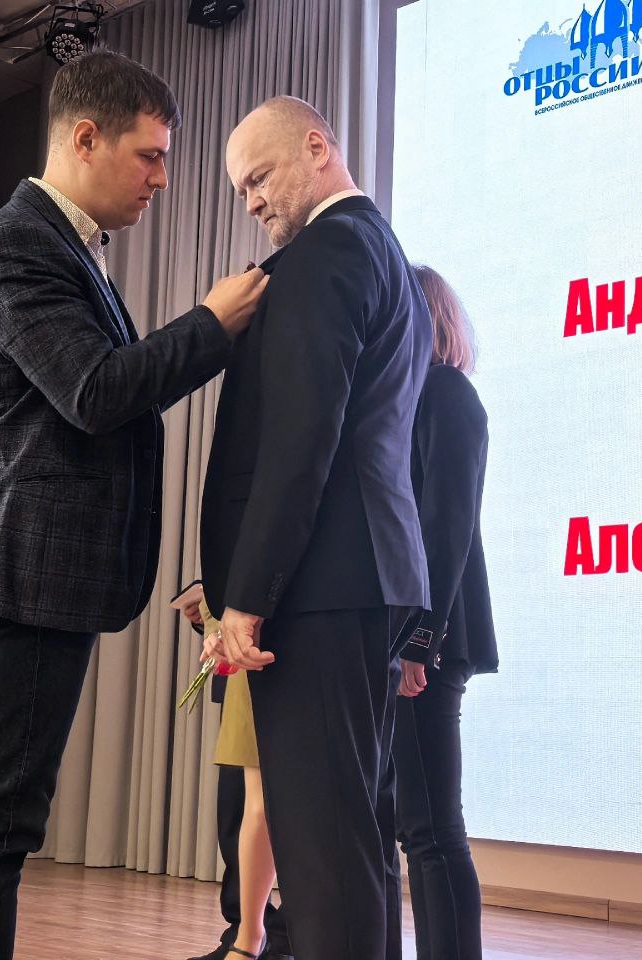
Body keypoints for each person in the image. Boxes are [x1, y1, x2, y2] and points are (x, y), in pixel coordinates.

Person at [0, 51, 267, 960]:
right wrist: (212, 326)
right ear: (84, 138)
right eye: (150, 155)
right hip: (25, 575)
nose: (162, 178)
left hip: (33, 576)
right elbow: (95, 392)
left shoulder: (67, 250)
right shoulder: (19, 243)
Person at [200, 96, 432, 960]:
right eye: (241, 189)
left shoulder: (323, 254)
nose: (252, 200)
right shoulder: (387, 255)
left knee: (325, 855)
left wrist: (247, 598)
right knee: (355, 841)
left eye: (259, 176)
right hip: (364, 581)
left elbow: (301, 443)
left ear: (316, 146)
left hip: (319, 590)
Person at [393, 266, 498, 960]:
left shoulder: (448, 394)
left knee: (433, 829)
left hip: (429, 640)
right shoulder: (411, 401)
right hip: (410, 636)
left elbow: (446, 524)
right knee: (417, 829)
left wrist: (418, 639)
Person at [177, 586, 292, 960]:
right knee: (237, 809)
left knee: (287, 813)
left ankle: (282, 937)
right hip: (244, 654)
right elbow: (230, 573)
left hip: (297, 639)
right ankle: (245, 932)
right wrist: (213, 620)